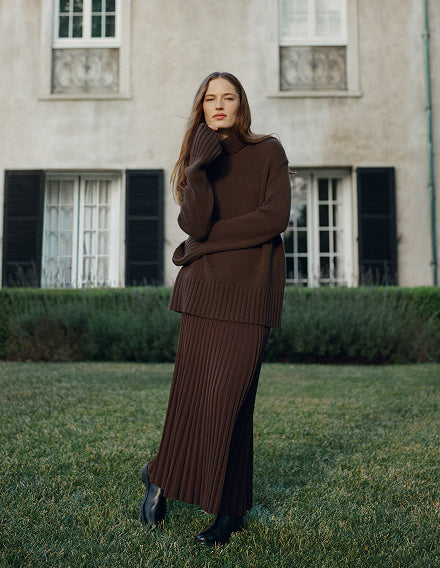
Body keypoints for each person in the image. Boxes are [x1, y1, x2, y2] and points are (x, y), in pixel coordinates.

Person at [140, 71, 291, 547]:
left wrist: (203, 245)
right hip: (204, 295)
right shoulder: (197, 160)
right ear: (201, 107)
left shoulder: (269, 151)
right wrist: (199, 169)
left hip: (250, 295)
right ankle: (217, 506)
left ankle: (176, 481)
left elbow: (273, 218)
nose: (219, 105)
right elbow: (196, 223)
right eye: (210, 98)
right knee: (192, 399)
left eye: (228, 97)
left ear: (241, 104)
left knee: (231, 401)